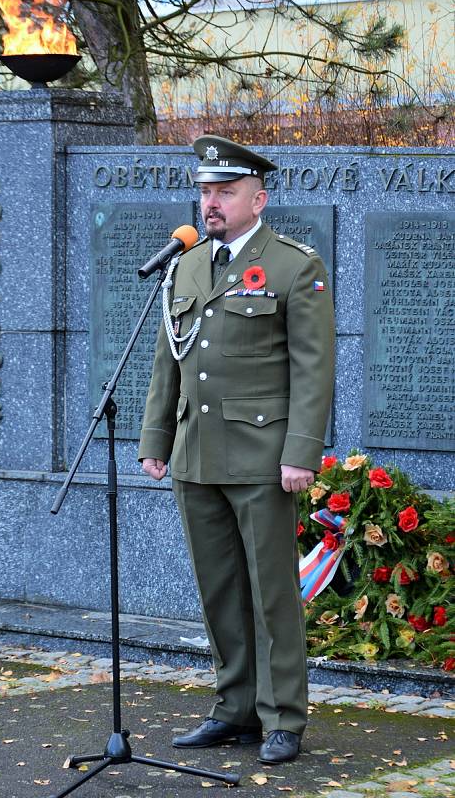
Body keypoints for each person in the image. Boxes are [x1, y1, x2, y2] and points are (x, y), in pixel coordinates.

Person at [138, 135, 335, 764]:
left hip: (262, 456)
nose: (211, 203)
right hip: (197, 457)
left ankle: (283, 717)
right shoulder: (188, 264)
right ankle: (235, 708)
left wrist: (301, 452)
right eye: (205, 191)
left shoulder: (293, 265)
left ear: (259, 198)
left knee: (271, 592)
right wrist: (156, 438)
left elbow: (313, 369)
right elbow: (168, 359)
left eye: (225, 192)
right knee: (219, 588)